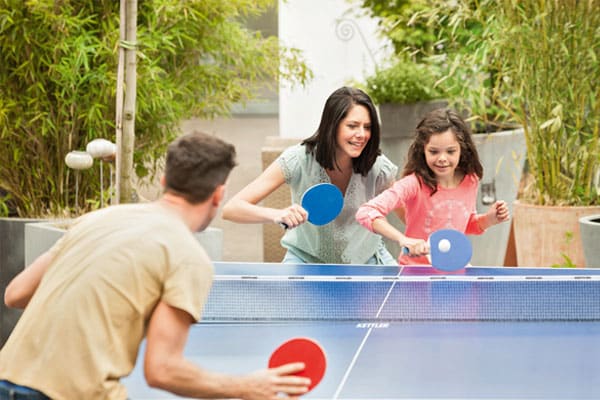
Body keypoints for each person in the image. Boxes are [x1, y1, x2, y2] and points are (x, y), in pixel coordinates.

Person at [0, 132, 310, 399]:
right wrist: (245, 386)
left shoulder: (97, 219)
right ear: (218, 195)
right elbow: (162, 370)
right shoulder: (188, 256)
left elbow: (15, 294)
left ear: (164, 181)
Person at [222, 86, 398, 265]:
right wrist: (278, 214)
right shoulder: (298, 159)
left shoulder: (378, 166)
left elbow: (408, 212)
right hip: (304, 261)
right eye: (352, 126)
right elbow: (232, 209)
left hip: (367, 261)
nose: (362, 134)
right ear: (332, 125)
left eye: (367, 127)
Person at [356, 108, 510, 265]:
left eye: (450, 151)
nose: (442, 158)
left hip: (453, 270)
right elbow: (366, 212)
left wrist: (490, 219)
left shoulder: (470, 180)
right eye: (434, 151)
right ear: (423, 150)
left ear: (462, 150)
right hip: (415, 275)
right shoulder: (413, 184)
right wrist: (403, 239)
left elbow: (464, 224)